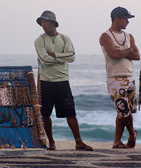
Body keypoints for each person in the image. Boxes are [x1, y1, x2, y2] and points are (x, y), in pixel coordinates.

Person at [34, 10, 93, 151]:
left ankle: (79, 142)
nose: (43, 24)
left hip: (62, 80)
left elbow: (72, 57)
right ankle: (51, 142)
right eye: (41, 22)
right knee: (45, 113)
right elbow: (44, 59)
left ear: (53, 23)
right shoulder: (39, 40)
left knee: (70, 112)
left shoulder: (65, 39)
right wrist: (61, 57)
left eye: (45, 21)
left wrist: (53, 55)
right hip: (45, 81)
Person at [99, 7, 140, 148]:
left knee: (123, 111)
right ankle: (132, 133)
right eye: (125, 18)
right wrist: (128, 50)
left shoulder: (129, 37)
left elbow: (137, 56)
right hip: (115, 77)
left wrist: (122, 51)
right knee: (123, 110)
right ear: (117, 18)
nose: (128, 22)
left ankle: (117, 141)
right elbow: (113, 55)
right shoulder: (105, 36)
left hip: (129, 76)